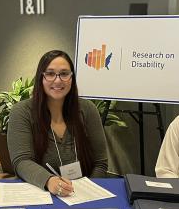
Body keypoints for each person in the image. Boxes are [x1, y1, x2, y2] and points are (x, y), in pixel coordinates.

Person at [7, 49, 108, 196]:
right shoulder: (22, 112)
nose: (58, 80)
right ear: (40, 78)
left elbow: (100, 163)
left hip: (80, 195)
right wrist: (49, 181)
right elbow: (21, 161)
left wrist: (89, 192)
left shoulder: (87, 110)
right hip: (41, 193)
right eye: (50, 74)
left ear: (71, 78)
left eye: (64, 74)